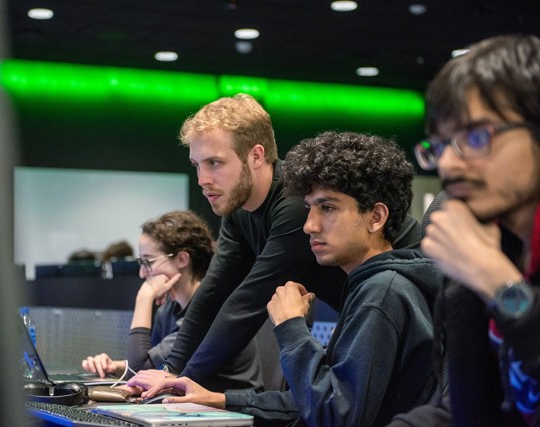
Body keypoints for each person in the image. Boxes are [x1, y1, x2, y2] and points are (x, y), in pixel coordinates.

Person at [141, 131, 443, 426]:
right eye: (310, 208)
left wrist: (291, 328)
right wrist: (218, 399)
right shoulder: (373, 286)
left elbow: (334, 414)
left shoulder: (382, 292)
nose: (310, 225)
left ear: (376, 217)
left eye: (327, 208)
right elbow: (311, 400)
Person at [390, 34, 540, 426]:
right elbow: (467, 409)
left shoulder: (486, 262)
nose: (450, 166)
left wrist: (495, 281)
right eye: (440, 146)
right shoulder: (491, 243)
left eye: (476, 137)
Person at [81, 210, 260, 390]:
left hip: (229, 413)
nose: (142, 273)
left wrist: (144, 297)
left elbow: (139, 370)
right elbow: (150, 371)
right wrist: (115, 367)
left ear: (182, 259)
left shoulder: (209, 312)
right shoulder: (168, 309)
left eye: (148, 262)